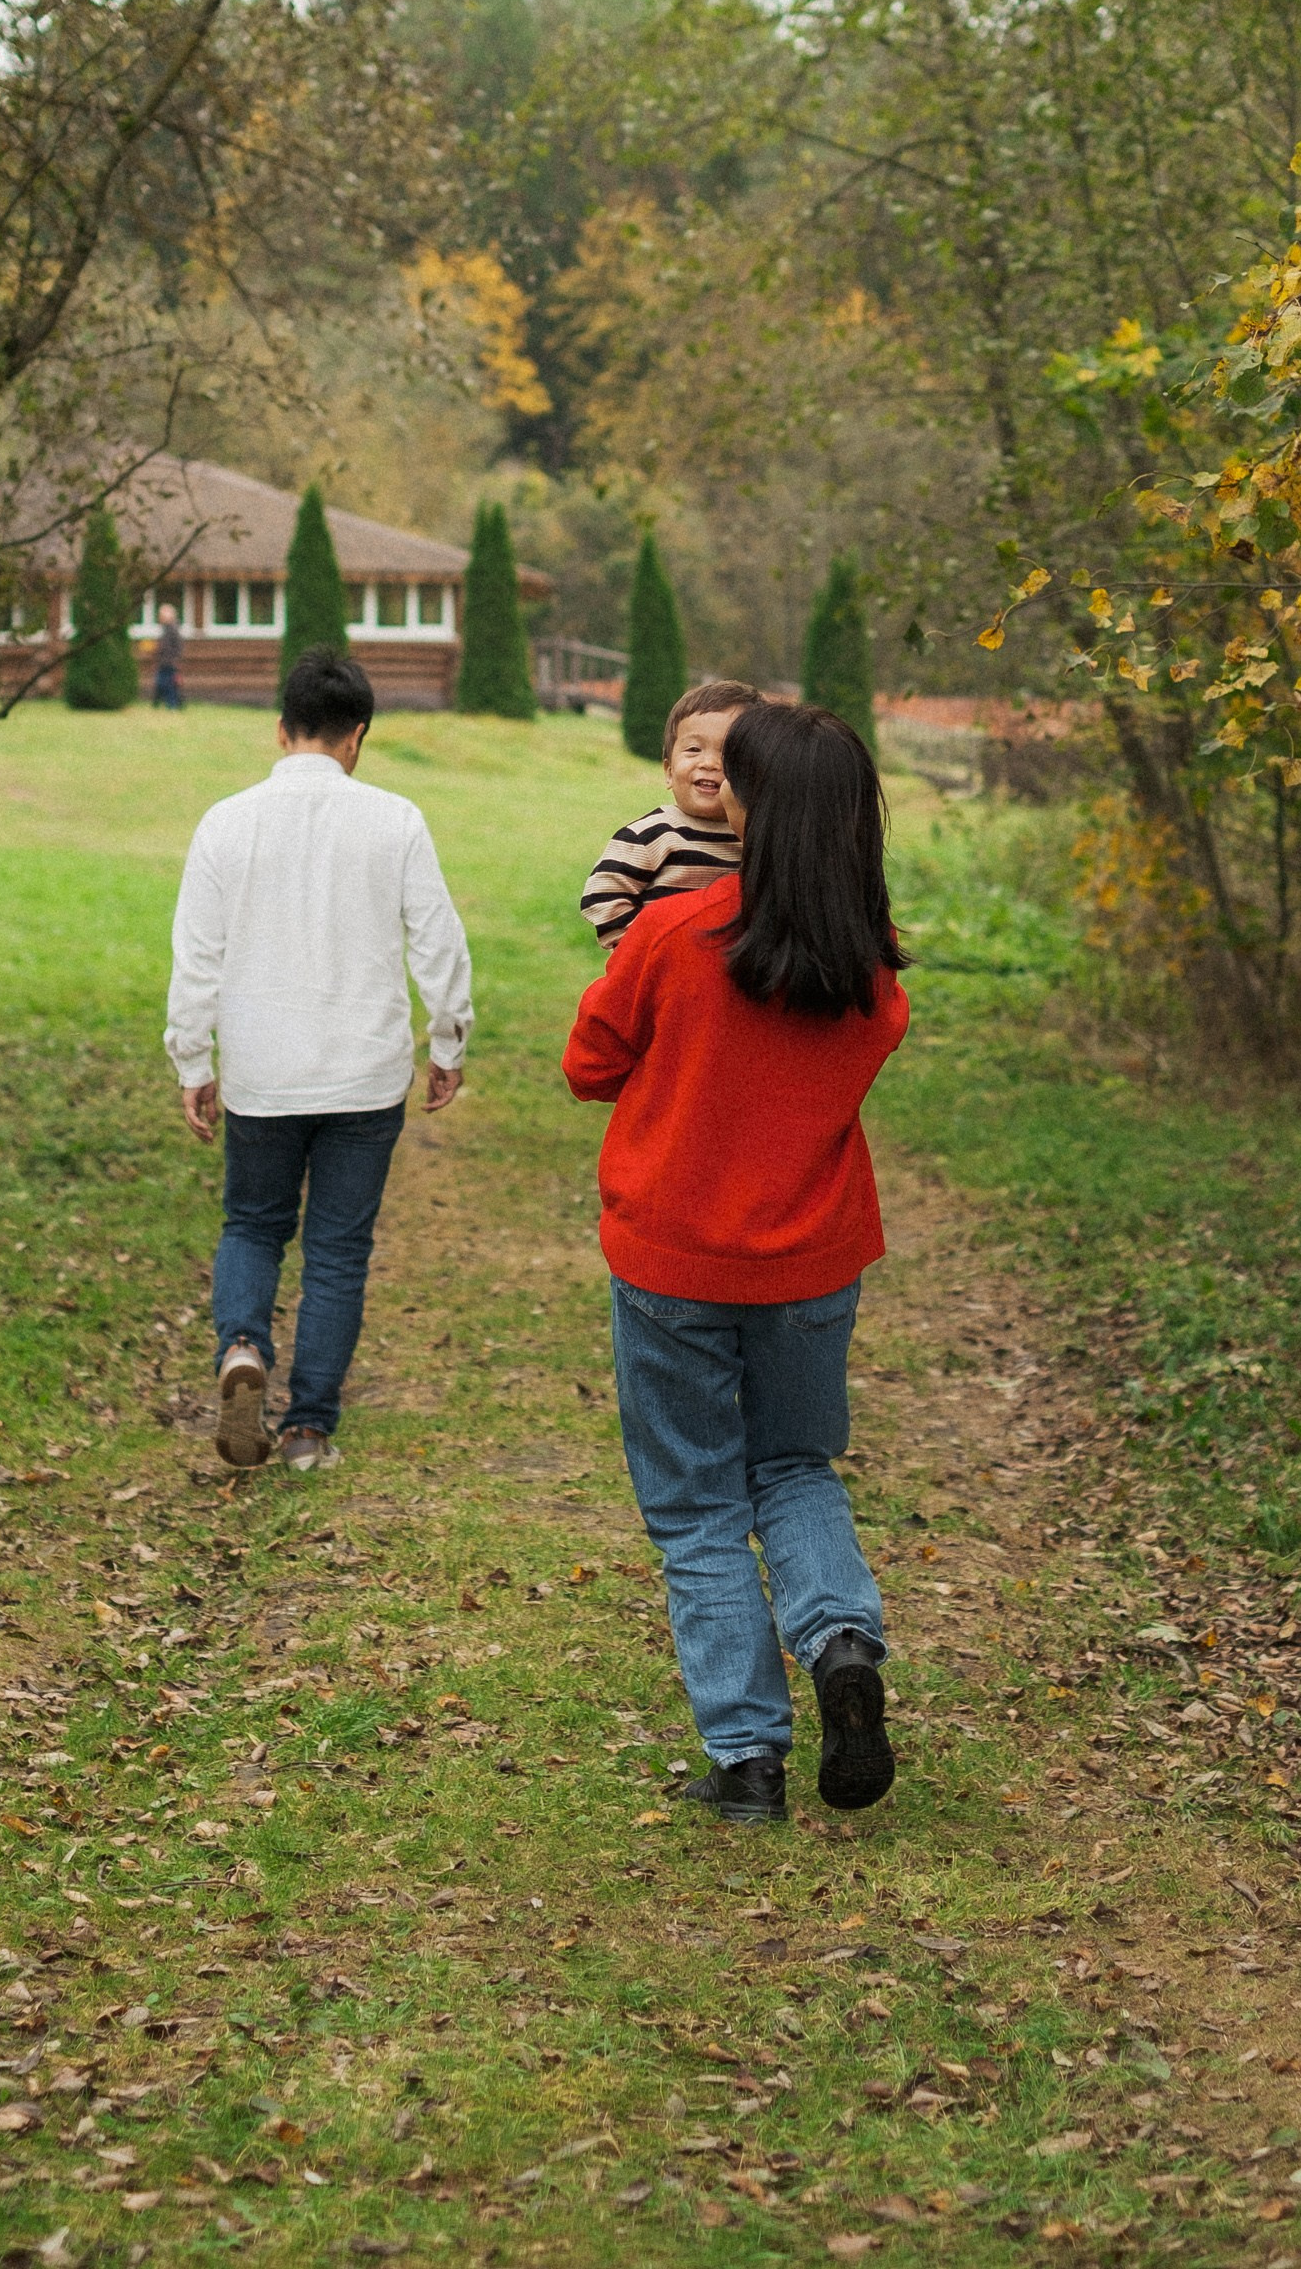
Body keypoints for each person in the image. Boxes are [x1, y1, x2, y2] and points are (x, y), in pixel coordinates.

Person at [562, 700, 909, 1823]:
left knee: (698, 1504)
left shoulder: (676, 934)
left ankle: (748, 1760)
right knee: (795, 1467)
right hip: (809, 1261)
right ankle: (841, 1639)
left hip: (673, 1257)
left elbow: (590, 1062)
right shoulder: (871, 974)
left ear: (756, 811)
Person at [165, 647, 472, 1472]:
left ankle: (241, 1347)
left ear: (280, 730)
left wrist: (193, 1060)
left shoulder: (225, 822)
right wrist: (448, 1040)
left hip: (263, 1072)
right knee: (338, 1249)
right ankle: (306, 1429)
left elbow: (197, 956)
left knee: (253, 1224)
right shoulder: (395, 819)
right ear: (357, 737)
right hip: (363, 1074)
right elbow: (436, 939)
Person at [579, 677, 759, 951]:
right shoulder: (653, 834)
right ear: (668, 771)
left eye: (727, 753)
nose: (709, 763)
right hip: (661, 968)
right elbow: (602, 894)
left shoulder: (754, 838)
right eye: (693, 750)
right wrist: (644, 950)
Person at [152, 600, 185, 711]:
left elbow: (179, 646)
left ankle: (173, 705)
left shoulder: (173, 629)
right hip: (163, 662)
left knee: (169, 685)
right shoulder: (164, 629)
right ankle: (165, 703)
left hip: (170, 663)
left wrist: (175, 660)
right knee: (162, 683)